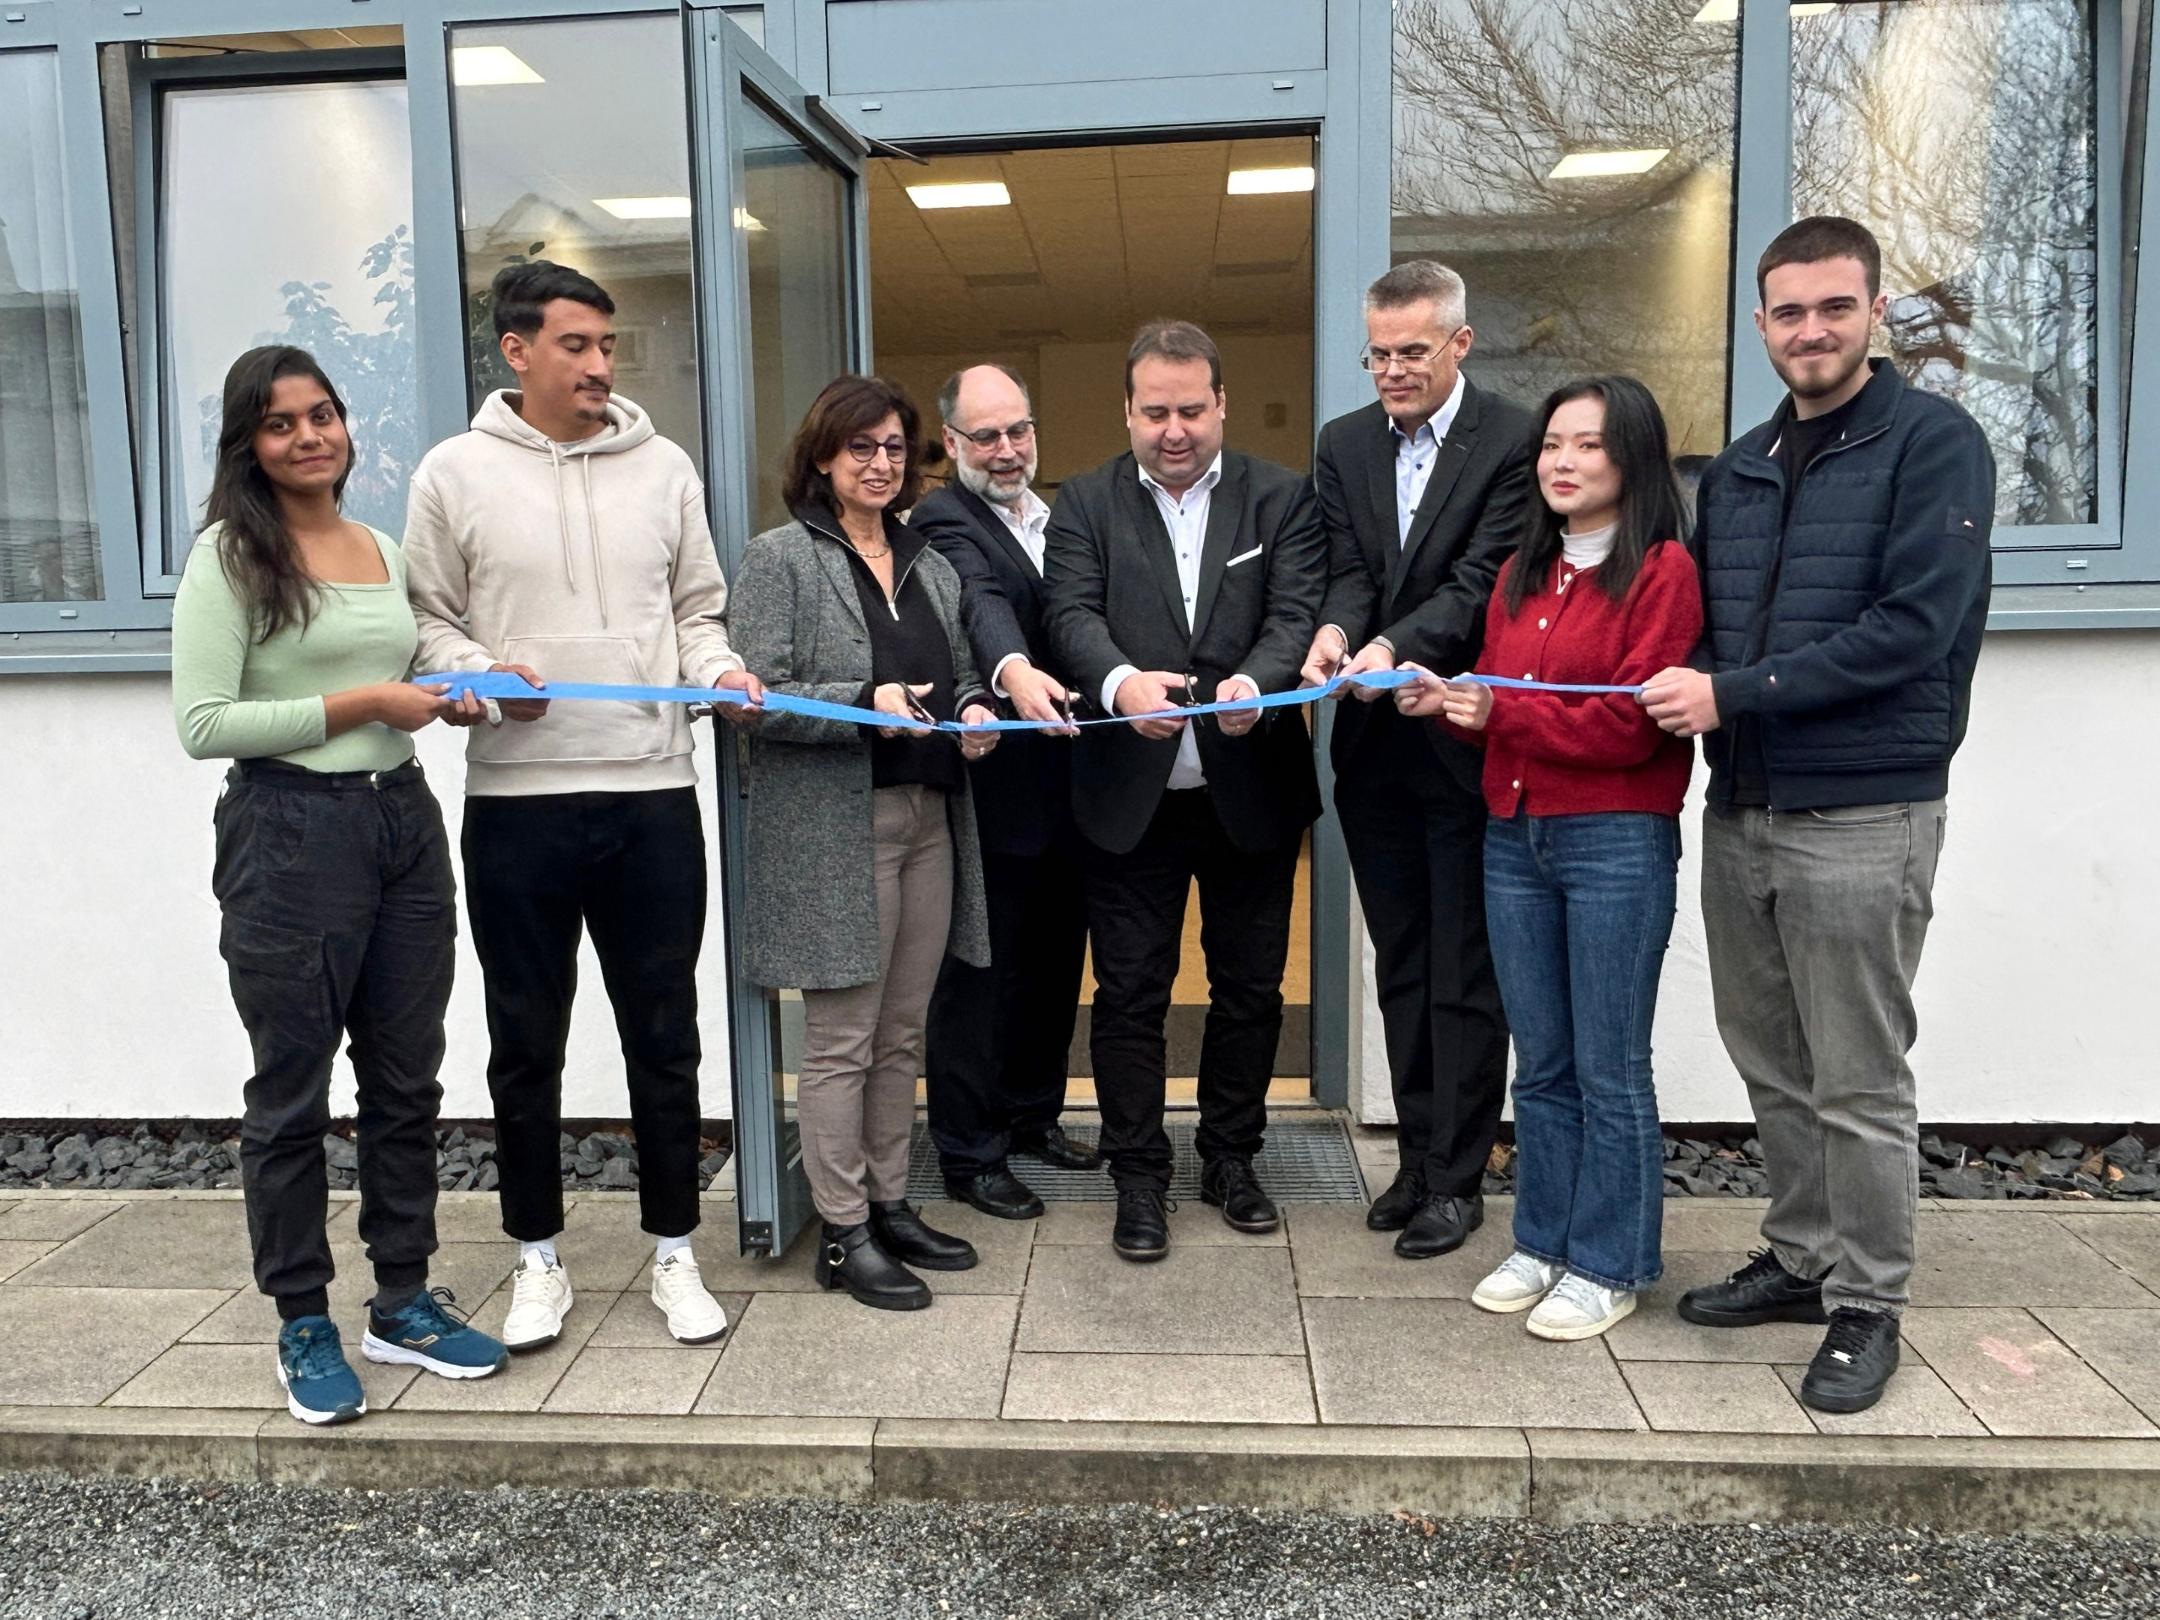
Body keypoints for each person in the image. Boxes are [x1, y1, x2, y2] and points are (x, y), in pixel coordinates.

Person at [1640, 216, 1995, 1414]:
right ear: (1759, 324)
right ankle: (1800, 1261)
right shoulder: (1737, 471)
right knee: (1772, 1061)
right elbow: (1698, 638)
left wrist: (1727, 695)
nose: (1811, 331)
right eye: (1788, 312)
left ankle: (1868, 1303)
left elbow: (1913, 632)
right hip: (1740, 809)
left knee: (1858, 1076)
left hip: (1864, 810)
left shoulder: (1935, 447)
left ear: (1874, 312)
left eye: (1833, 308)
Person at [403, 261, 760, 1353]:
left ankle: (672, 1252)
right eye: (576, 346)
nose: (601, 365)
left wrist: (723, 668)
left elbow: (699, 609)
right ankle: (537, 1259)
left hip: (653, 793)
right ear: (516, 352)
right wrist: (476, 671)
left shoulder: (665, 468)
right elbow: (427, 621)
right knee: (525, 1041)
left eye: (608, 346)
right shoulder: (452, 474)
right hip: (520, 805)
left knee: (665, 1036)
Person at [173, 345, 507, 1425]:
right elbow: (204, 723)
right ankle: (304, 1317)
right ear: (250, 445)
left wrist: (454, 695)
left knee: (407, 1081)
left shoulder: (375, 546)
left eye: (324, 415)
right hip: (287, 832)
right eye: (282, 424)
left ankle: (402, 1298)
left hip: (400, 824)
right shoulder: (228, 557)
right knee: (291, 1094)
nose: (311, 436)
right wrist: (369, 702)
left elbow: (399, 680)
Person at [1395, 376, 1701, 1341]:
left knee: (1611, 1066)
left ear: (1633, 459)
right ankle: (1543, 1240)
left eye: (1590, 447)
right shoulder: (1522, 572)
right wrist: (1449, 702)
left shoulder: (1662, 571)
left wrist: (1500, 711)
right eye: (1552, 446)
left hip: (1614, 838)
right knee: (1542, 1065)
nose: (1564, 463)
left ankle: (1611, 1263)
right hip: (1514, 835)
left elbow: (1632, 723)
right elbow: (1500, 702)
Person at [1043, 320, 1327, 1262]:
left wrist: (1261, 680)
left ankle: (1231, 1159)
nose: (1175, 429)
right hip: (1129, 799)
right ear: (1127, 410)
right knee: (1130, 994)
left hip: (1249, 787)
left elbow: (1295, 611)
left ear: (1222, 406)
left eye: (1192, 410)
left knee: (1250, 990)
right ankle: (1138, 1175)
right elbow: (1069, 614)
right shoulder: (1081, 504)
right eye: (1155, 411)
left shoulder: (1281, 496)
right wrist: (1120, 686)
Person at [728, 374, 1000, 1310]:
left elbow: (962, 673)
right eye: (862, 449)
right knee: (843, 1038)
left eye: (895, 448)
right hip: (832, 831)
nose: (881, 464)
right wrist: (862, 705)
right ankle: (841, 1231)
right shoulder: (780, 560)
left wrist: (973, 715)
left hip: (929, 819)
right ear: (820, 458)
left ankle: (889, 1203)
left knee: (901, 1033)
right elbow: (754, 697)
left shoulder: (932, 562)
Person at [1300, 261, 1534, 1260]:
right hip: (1371, 749)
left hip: (1460, 741)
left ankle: (1459, 1177)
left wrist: (1396, 648)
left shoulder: (1517, 440)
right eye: (1378, 353)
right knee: (1400, 959)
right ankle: (1416, 1159)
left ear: (1460, 345)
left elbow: (1485, 580)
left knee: (1462, 969)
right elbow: (1349, 566)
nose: (1392, 371)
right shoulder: (1344, 444)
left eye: (1412, 352)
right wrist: (1336, 631)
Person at [912, 364, 1099, 1220]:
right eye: (984, 436)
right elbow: (981, 603)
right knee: (980, 980)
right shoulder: (943, 521)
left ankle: (1032, 1117)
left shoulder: (1053, 518)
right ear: (952, 444)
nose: (1006, 449)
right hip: (994, 798)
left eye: (1017, 430)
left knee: (1054, 971)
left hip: (1073, 794)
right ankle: (969, 1149)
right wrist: (1013, 671)